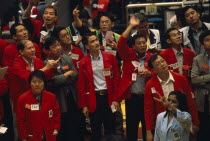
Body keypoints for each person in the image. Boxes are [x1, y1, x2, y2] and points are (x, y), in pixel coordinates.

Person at [144, 54, 199, 141]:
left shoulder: (180, 79)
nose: (162, 64)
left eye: (163, 61)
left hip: (182, 120)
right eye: (158, 63)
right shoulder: (150, 85)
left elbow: (190, 102)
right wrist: (149, 131)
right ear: (153, 70)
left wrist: (195, 122)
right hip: (163, 123)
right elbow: (148, 110)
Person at [78, 32, 120, 141]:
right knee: (95, 130)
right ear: (87, 46)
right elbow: (81, 85)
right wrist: (84, 105)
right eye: (92, 41)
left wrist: (116, 99)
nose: (96, 43)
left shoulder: (110, 57)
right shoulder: (83, 62)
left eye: (96, 40)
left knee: (110, 129)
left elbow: (116, 79)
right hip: (94, 98)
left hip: (108, 97)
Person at [117, 15, 152, 141]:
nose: (143, 45)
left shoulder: (151, 58)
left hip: (147, 99)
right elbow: (121, 43)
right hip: (132, 98)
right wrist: (131, 26)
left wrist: (150, 74)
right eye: (139, 43)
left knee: (147, 129)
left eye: (144, 42)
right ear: (133, 46)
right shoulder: (128, 55)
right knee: (131, 130)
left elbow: (160, 74)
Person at [43, 36, 82, 141]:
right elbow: (52, 82)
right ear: (48, 50)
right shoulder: (46, 63)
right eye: (54, 46)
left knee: (75, 123)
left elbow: (74, 75)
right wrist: (65, 75)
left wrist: (63, 78)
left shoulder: (67, 59)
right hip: (58, 98)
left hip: (71, 96)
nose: (58, 48)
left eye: (59, 45)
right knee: (62, 126)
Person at [16, 70, 60, 141]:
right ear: (30, 83)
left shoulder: (51, 97)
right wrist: (23, 137)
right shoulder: (22, 99)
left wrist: (56, 128)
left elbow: (57, 114)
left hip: (49, 134)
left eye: (40, 81)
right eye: (34, 82)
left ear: (44, 83)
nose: (37, 84)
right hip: (31, 136)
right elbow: (20, 121)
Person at [191, 30, 210, 141]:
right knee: (203, 133)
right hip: (202, 102)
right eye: (207, 40)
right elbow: (194, 79)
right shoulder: (198, 59)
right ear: (202, 45)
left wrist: (203, 79)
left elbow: (199, 80)